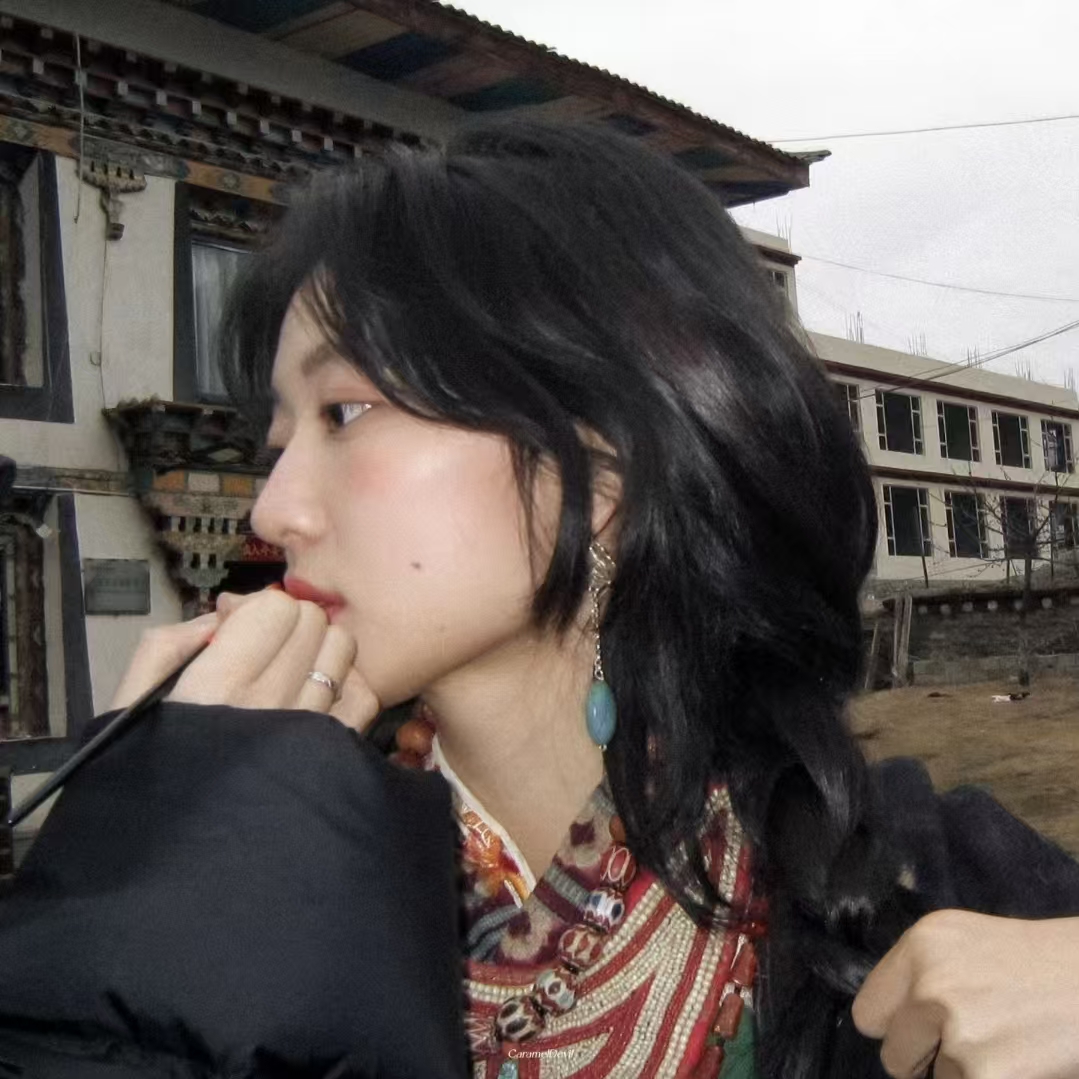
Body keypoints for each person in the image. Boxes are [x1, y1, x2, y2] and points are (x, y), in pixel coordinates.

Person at [5, 121, 1079, 1079]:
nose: (273, 510)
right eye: (275, 442)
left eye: (343, 413)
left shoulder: (928, 888)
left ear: (603, 468)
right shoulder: (271, 900)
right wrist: (148, 904)